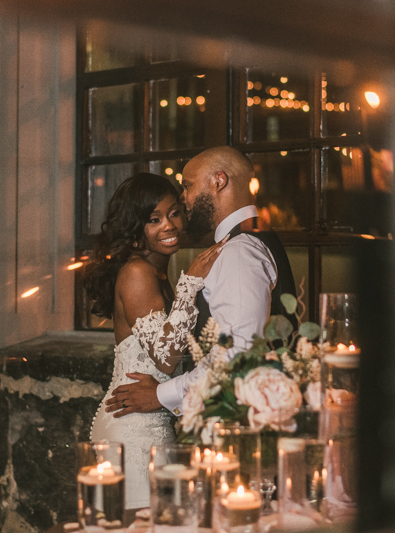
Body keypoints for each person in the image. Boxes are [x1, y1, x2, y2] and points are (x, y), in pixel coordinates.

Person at [105, 146, 297, 422]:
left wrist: (160, 395)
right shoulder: (251, 239)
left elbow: (236, 356)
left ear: (218, 181)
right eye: (155, 219)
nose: (184, 199)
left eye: (188, 186)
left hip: (235, 420)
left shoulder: (238, 251)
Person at [84, 172, 225, 509]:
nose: (170, 226)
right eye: (154, 219)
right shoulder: (137, 273)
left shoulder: (156, 273)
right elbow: (165, 358)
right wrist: (190, 284)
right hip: (133, 429)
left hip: (151, 418)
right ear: (135, 231)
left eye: (174, 213)